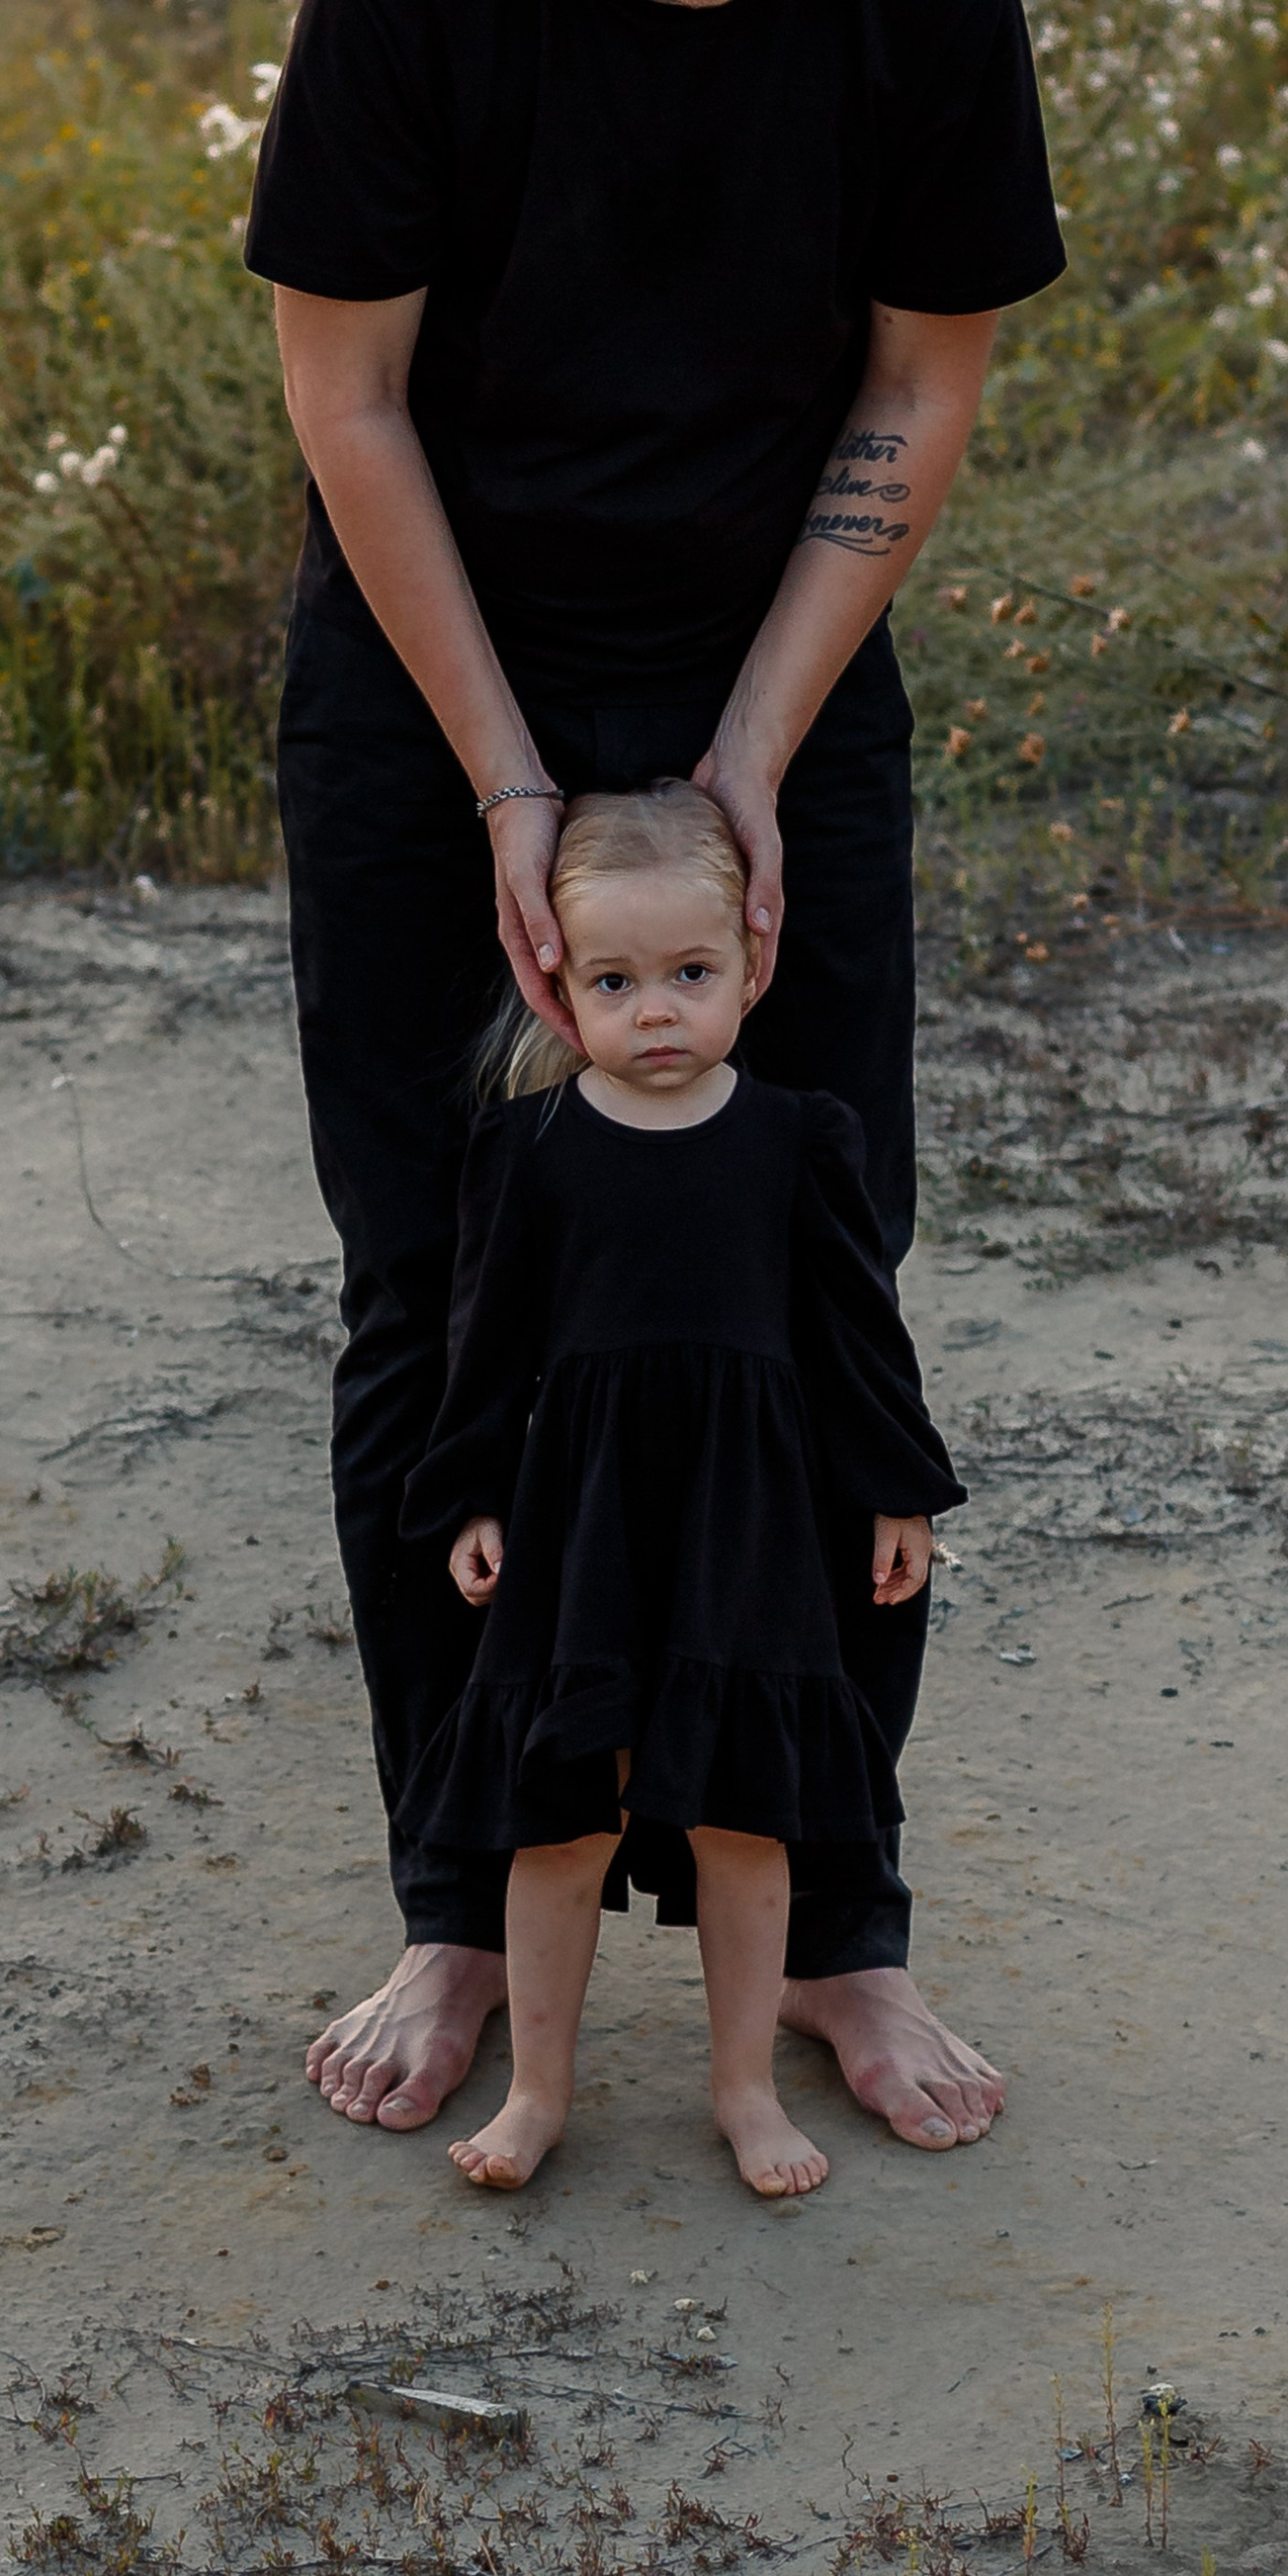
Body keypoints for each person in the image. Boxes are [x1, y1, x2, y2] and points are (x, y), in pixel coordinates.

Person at [250, 0, 1064, 2149]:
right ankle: (455, 1904)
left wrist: (748, 757)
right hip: (431, 683)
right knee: (434, 1288)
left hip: (771, 681)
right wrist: (511, 781)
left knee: (813, 1272)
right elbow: (348, 406)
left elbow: (919, 392)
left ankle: (833, 1935)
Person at [398, 783, 961, 2197]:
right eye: (614, 981)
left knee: (743, 1819)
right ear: (558, 981)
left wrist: (897, 1489)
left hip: (747, 1522)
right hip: (582, 1523)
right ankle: (536, 2094)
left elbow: (857, 1335)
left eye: (690, 973)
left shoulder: (797, 1138)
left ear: (754, 964)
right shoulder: (528, 1149)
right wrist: (470, 1496)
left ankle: (743, 2091)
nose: (655, 1010)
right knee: (561, 1817)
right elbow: (482, 1346)